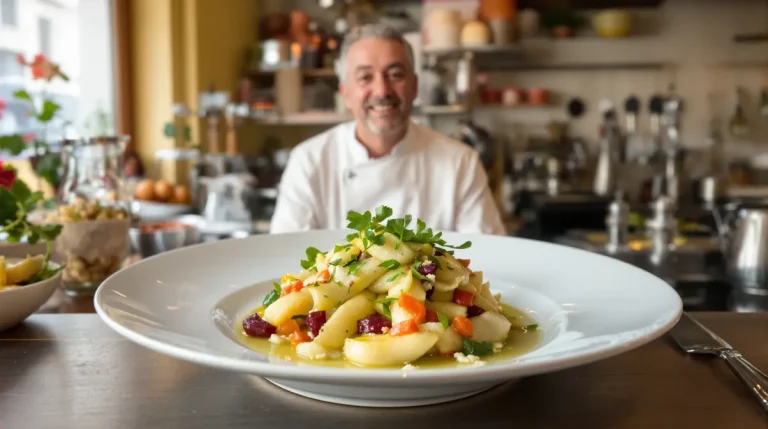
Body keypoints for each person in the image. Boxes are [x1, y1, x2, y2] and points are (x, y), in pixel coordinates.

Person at [269, 23, 506, 236]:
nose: (382, 91)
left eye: (395, 75)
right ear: (346, 93)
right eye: (365, 77)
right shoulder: (309, 162)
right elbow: (285, 259)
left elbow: (491, 260)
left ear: (414, 87)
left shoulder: (460, 163)